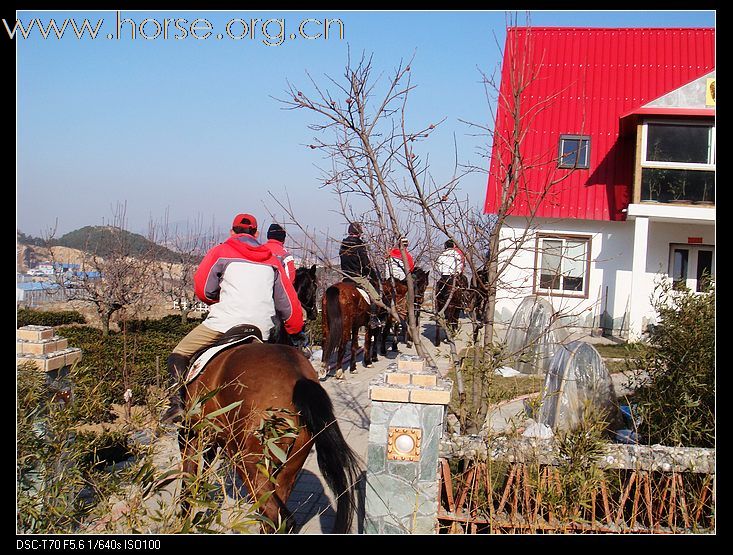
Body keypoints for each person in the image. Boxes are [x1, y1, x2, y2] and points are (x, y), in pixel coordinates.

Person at [161, 213, 305, 425]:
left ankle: (177, 405)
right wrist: (294, 329)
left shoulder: (220, 252)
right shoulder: (272, 260)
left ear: (232, 231)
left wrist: (214, 298)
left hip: (224, 324)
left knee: (179, 353)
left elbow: (203, 288)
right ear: (256, 234)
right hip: (262, 329)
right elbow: (288, 303)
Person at [339, 222, 382, 329]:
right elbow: (366, 264)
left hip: (345, 277)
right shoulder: (359, 246)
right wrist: (373, 275)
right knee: (376, 297)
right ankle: (373, 319)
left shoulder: (343, 245)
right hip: (357, 277)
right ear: (359, 233)